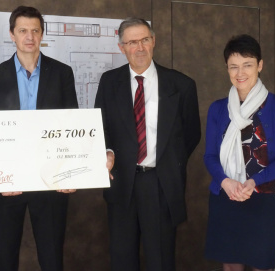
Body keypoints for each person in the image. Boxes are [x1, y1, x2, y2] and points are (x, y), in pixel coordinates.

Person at [94, 17, 201, 270]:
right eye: (132, 42)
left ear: (153, 41)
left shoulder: (182, 85)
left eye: (144, 40)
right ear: (122, 47)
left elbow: (191, 134)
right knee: (122, 259)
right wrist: (108, 152)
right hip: (121, 183)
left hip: (161, 185)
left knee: (161, 260)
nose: (139, 47)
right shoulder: (109, 82)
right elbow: (100, 127)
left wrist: (168, 164)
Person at [0, 6, 78, 271]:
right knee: (3, 258)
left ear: (42, 34)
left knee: (51, 258)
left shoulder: (62, 74)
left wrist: (67, 172)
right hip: (7, 181)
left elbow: (72, 126)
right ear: (12, 34)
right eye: (23, 30)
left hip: (50, 180)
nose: (29, 37)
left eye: (35, 30)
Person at [204, 34, 275, 271]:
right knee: (231, 265)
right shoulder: (217, 109)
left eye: (247, 64)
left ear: (260, 65)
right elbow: (210, 156)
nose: (240, 72)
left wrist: (254, 181)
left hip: (265, 199)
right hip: (227, 196)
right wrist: (225, 182)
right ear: (227, 69)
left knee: (262, 266)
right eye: (233, 66)